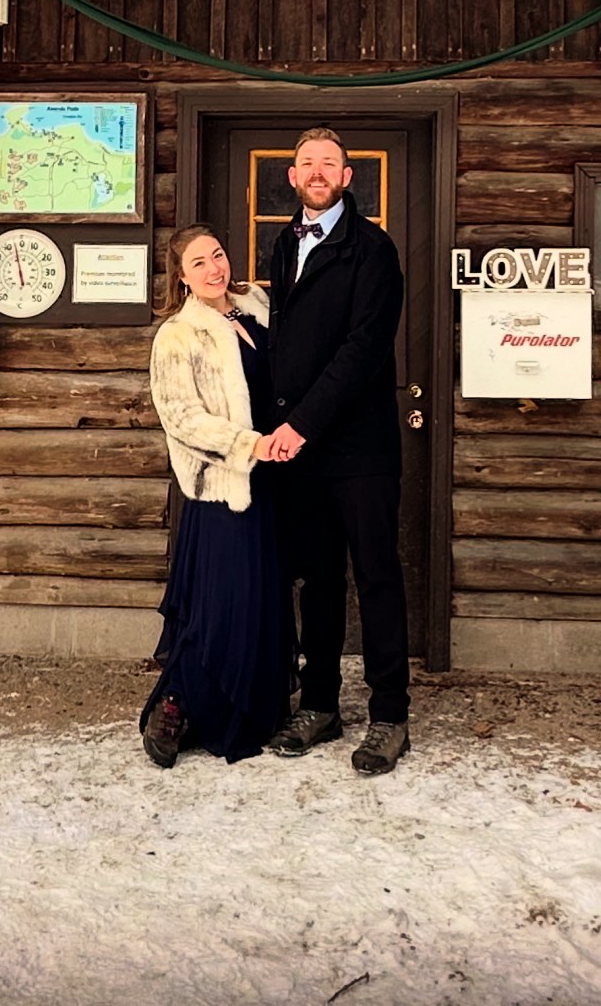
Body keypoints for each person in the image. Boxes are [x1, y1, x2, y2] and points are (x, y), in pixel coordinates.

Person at [260, 127, 411, 775]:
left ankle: (389, 717)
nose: (317, 172)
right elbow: (288, 339)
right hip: (301, 450)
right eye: (306, 163)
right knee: (317, 580)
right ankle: (319, 704)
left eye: (329, 163)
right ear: (292, 177)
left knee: (376, 577)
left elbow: (362, 350)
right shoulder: (283, 242)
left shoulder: (372, 250)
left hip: (360, 447)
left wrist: (304, 424)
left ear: (349, 177)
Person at [139, 224, 295, 767]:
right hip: (223, 486)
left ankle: (258, 707)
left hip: (276, 479)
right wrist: (248, 445)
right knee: (218, 605)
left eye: (219, 256)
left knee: (262, 598)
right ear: (181, 278)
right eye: (199, 263)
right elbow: (181, 418)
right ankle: (178, 708)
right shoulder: (179, 335)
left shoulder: (259, 308)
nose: (214, 269)